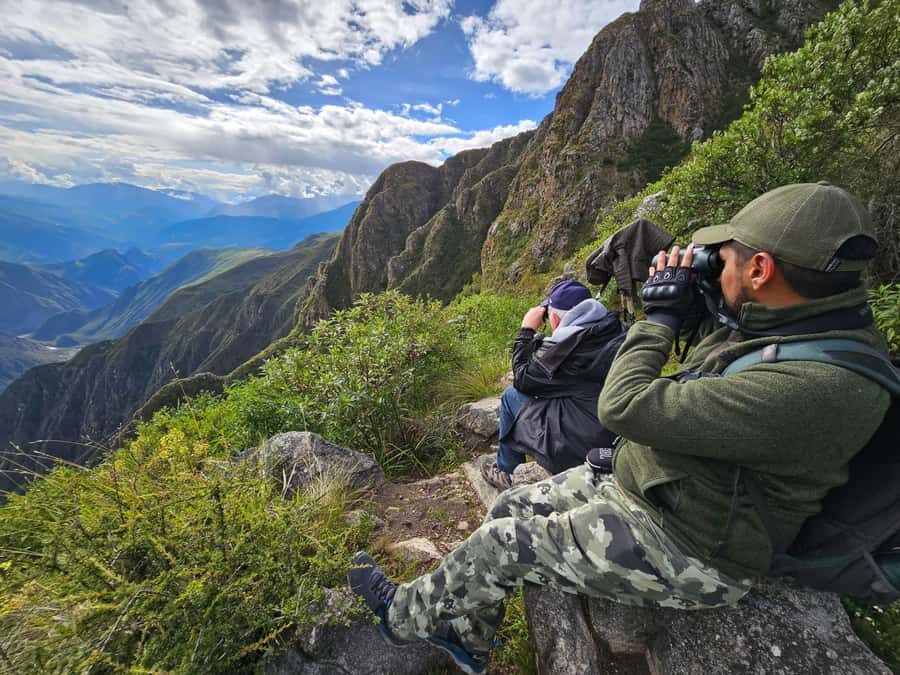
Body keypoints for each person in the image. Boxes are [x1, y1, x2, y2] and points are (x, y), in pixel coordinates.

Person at [349, 182, 891, 675]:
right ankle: (466, 634)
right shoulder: (795, 323)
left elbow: (625, 406)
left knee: (503, 542)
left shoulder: (816, 385)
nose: (714, 265)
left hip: (693, 546)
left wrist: (660, 318)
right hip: (667, 489)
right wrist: (708, 302)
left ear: (760, 271)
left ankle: (400, 618)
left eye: (724, 257)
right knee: (507, 507)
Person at [481, 279, 627, 490]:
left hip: (584, 446)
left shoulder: (564, 351)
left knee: (511, 396)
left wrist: (526, 331)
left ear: (556, 318)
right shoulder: (616, 329)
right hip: (619, 434)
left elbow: (523, 380)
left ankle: (507, 472)